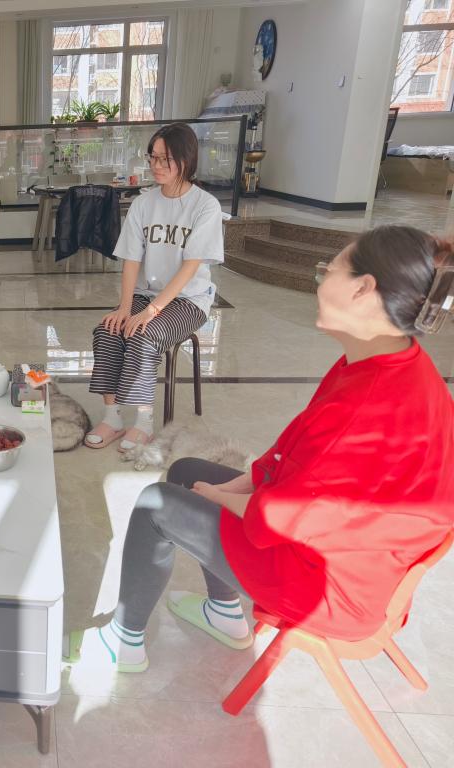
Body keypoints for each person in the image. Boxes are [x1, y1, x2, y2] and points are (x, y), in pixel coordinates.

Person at [96, 225, 454, 673]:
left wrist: (220, 497)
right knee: (187, 469)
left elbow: (280, 517)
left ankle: (122, 643)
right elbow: (292, 448)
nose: (320, 282)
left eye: (329, 270)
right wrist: (234, 486)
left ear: (363, 289)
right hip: (349, 557)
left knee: (156, 504)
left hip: (328, 586)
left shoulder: (366, 406)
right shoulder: (393, 363)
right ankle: (224, 612)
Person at [86, 122, 224, 451]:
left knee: (144, 334)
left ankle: (144, 423)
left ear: (186, 160)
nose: (156, 165)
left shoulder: (205, 206)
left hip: (189, 301)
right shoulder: (143, 203)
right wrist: (124, 307)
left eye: (166, 159)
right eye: (153, 157)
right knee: (107, 330)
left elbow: (191, 267)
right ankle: (112, 418)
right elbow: (131, 259)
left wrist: (151, 311)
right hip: (146, 294)